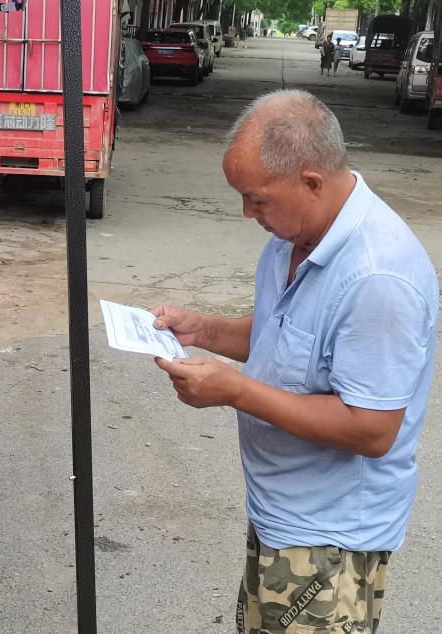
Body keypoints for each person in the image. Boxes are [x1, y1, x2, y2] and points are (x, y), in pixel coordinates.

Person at [152, 90, 437, 633]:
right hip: (281, 518)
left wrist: (235, 390)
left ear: (311, 181)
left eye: (256, 199)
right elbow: (281, 335)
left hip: (329, 542)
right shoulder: (295, 237)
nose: (247, 213)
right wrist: (202, 329)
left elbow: (371, 428)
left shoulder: (378, 279)